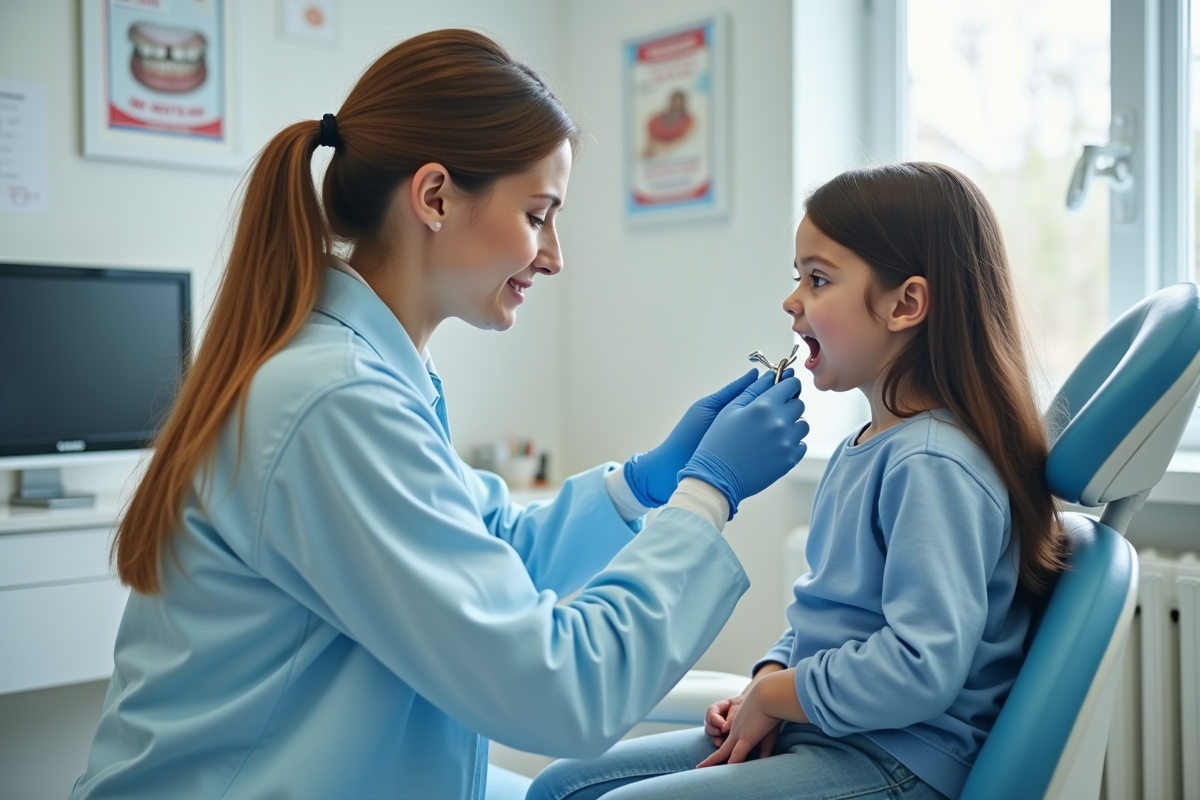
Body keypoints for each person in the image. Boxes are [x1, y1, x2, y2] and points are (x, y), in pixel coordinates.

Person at [69, 29, 810, 800]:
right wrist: (706, 495)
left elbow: (490, 557)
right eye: (537, 214)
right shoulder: (336, 403)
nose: (554, 256)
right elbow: (556, 691)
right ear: (434, 197)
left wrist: (643, 485)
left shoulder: (371, 377)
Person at [526, 162, 1067, 800]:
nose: (791, 301)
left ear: (906, 304)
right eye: (797, 278)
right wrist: (771, 673)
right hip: (832, 732)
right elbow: (829, 613)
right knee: (563, 788)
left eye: (818, 279)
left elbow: (922, 668)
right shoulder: (864, 448)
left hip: (898, 758)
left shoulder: (933, 464)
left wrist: (779, 695)